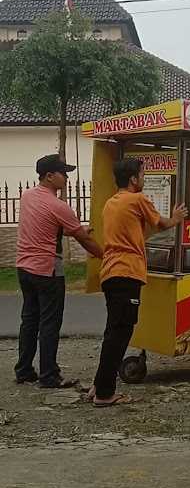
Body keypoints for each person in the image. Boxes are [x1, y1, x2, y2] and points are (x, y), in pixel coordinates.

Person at [91, 157, 188, 406]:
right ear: (134, 179)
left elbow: (140, 232)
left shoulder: (112, 203)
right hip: (127, 272)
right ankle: (104, 394)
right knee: (121, 332)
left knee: (113, 331)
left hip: (110, 272)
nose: (144, 179)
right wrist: (177, 217)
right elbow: (162, 223)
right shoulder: (138, 199)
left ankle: (99, 385)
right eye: (143, 175)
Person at [15, 154, 103, 389]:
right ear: (49, 176)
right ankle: (49, 375)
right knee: (50, 323)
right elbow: (83, 239)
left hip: (24, 267)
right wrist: (105, 254)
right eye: (63, 173)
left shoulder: (27, 197)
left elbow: (45, 225)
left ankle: (23, 370)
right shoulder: (58, 205)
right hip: (47, 270)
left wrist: (75, 229)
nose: (66, 178)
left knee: (29, 320)